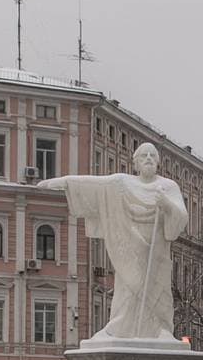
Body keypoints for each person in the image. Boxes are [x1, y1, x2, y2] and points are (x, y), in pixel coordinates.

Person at [38, 142, 186, 343]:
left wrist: (166, 204)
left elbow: (180, 219)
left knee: (158, 291)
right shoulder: (122, 183)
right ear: (135, 163)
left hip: (156, 250)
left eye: (153, 155)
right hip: (129, 247)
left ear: (158, 161)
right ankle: (120, 328)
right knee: (127, 289)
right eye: (144, 155)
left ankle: (161, 330)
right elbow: (94, 184)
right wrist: (65, 182)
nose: (149, 158)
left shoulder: (168, 187)